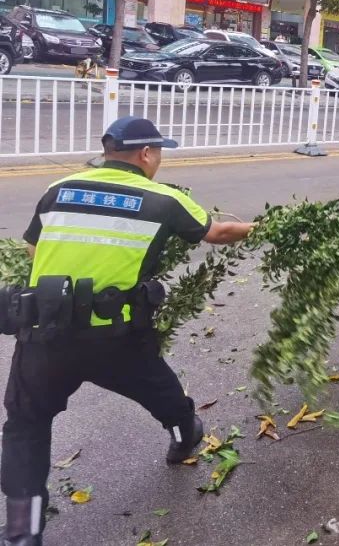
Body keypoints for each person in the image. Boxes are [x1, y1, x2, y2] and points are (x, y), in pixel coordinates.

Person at [1, 117, 254, 546]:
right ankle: (183, 435)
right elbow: (218, 232)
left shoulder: (60, 188)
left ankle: (22, 532)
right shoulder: (162, 197)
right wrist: (263, 229)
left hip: (44, 335)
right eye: (159, 153)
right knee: (163, 394)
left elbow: (32, 247)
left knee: (25, 427)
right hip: (114, 339)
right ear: (146, 154)